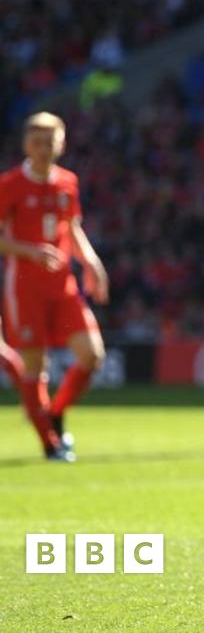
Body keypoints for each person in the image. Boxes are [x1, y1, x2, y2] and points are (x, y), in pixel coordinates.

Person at [0, 112, 109, 462]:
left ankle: (55, 413)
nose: (44, 149)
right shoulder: (10, 184)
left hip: (63, 285)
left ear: (61, 144)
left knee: (92, 356)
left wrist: (91, 262)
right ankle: (50, 444)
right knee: (35, 367)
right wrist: (30, 251)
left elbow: (72, 228)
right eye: (37, 142)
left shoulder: (67, 182)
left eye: (50, 142)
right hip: (24, 287)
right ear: (26, 145)